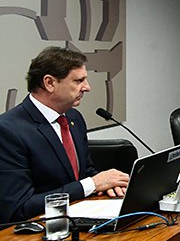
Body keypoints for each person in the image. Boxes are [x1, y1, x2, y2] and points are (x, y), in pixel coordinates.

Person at [0, 47, 129, 223]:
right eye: (79, 81)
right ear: (49, 83)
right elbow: (19, 207)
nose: (87, 87)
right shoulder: (8, 130)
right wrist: (92, 184)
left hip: (79, 219)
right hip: (40, 230)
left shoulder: (74, 117)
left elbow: (86, 172)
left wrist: (109, 185)